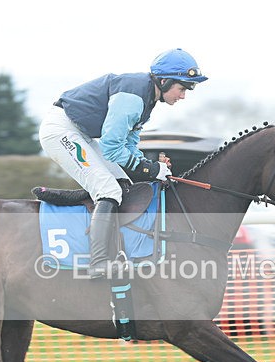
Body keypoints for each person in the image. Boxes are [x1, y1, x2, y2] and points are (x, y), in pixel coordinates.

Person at [39, 48, 208, 278]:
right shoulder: (134, 97)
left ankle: (115, 246)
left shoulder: (147, 99)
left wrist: (152, 168)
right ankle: (98, 262)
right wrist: (152, 169)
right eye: (182, 88)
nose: (183, 96)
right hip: (61, 131)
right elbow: (111, 148)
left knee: (123, 183)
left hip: (80, 133)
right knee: (108, 189)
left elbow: (128, 147)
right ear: (165, 80)